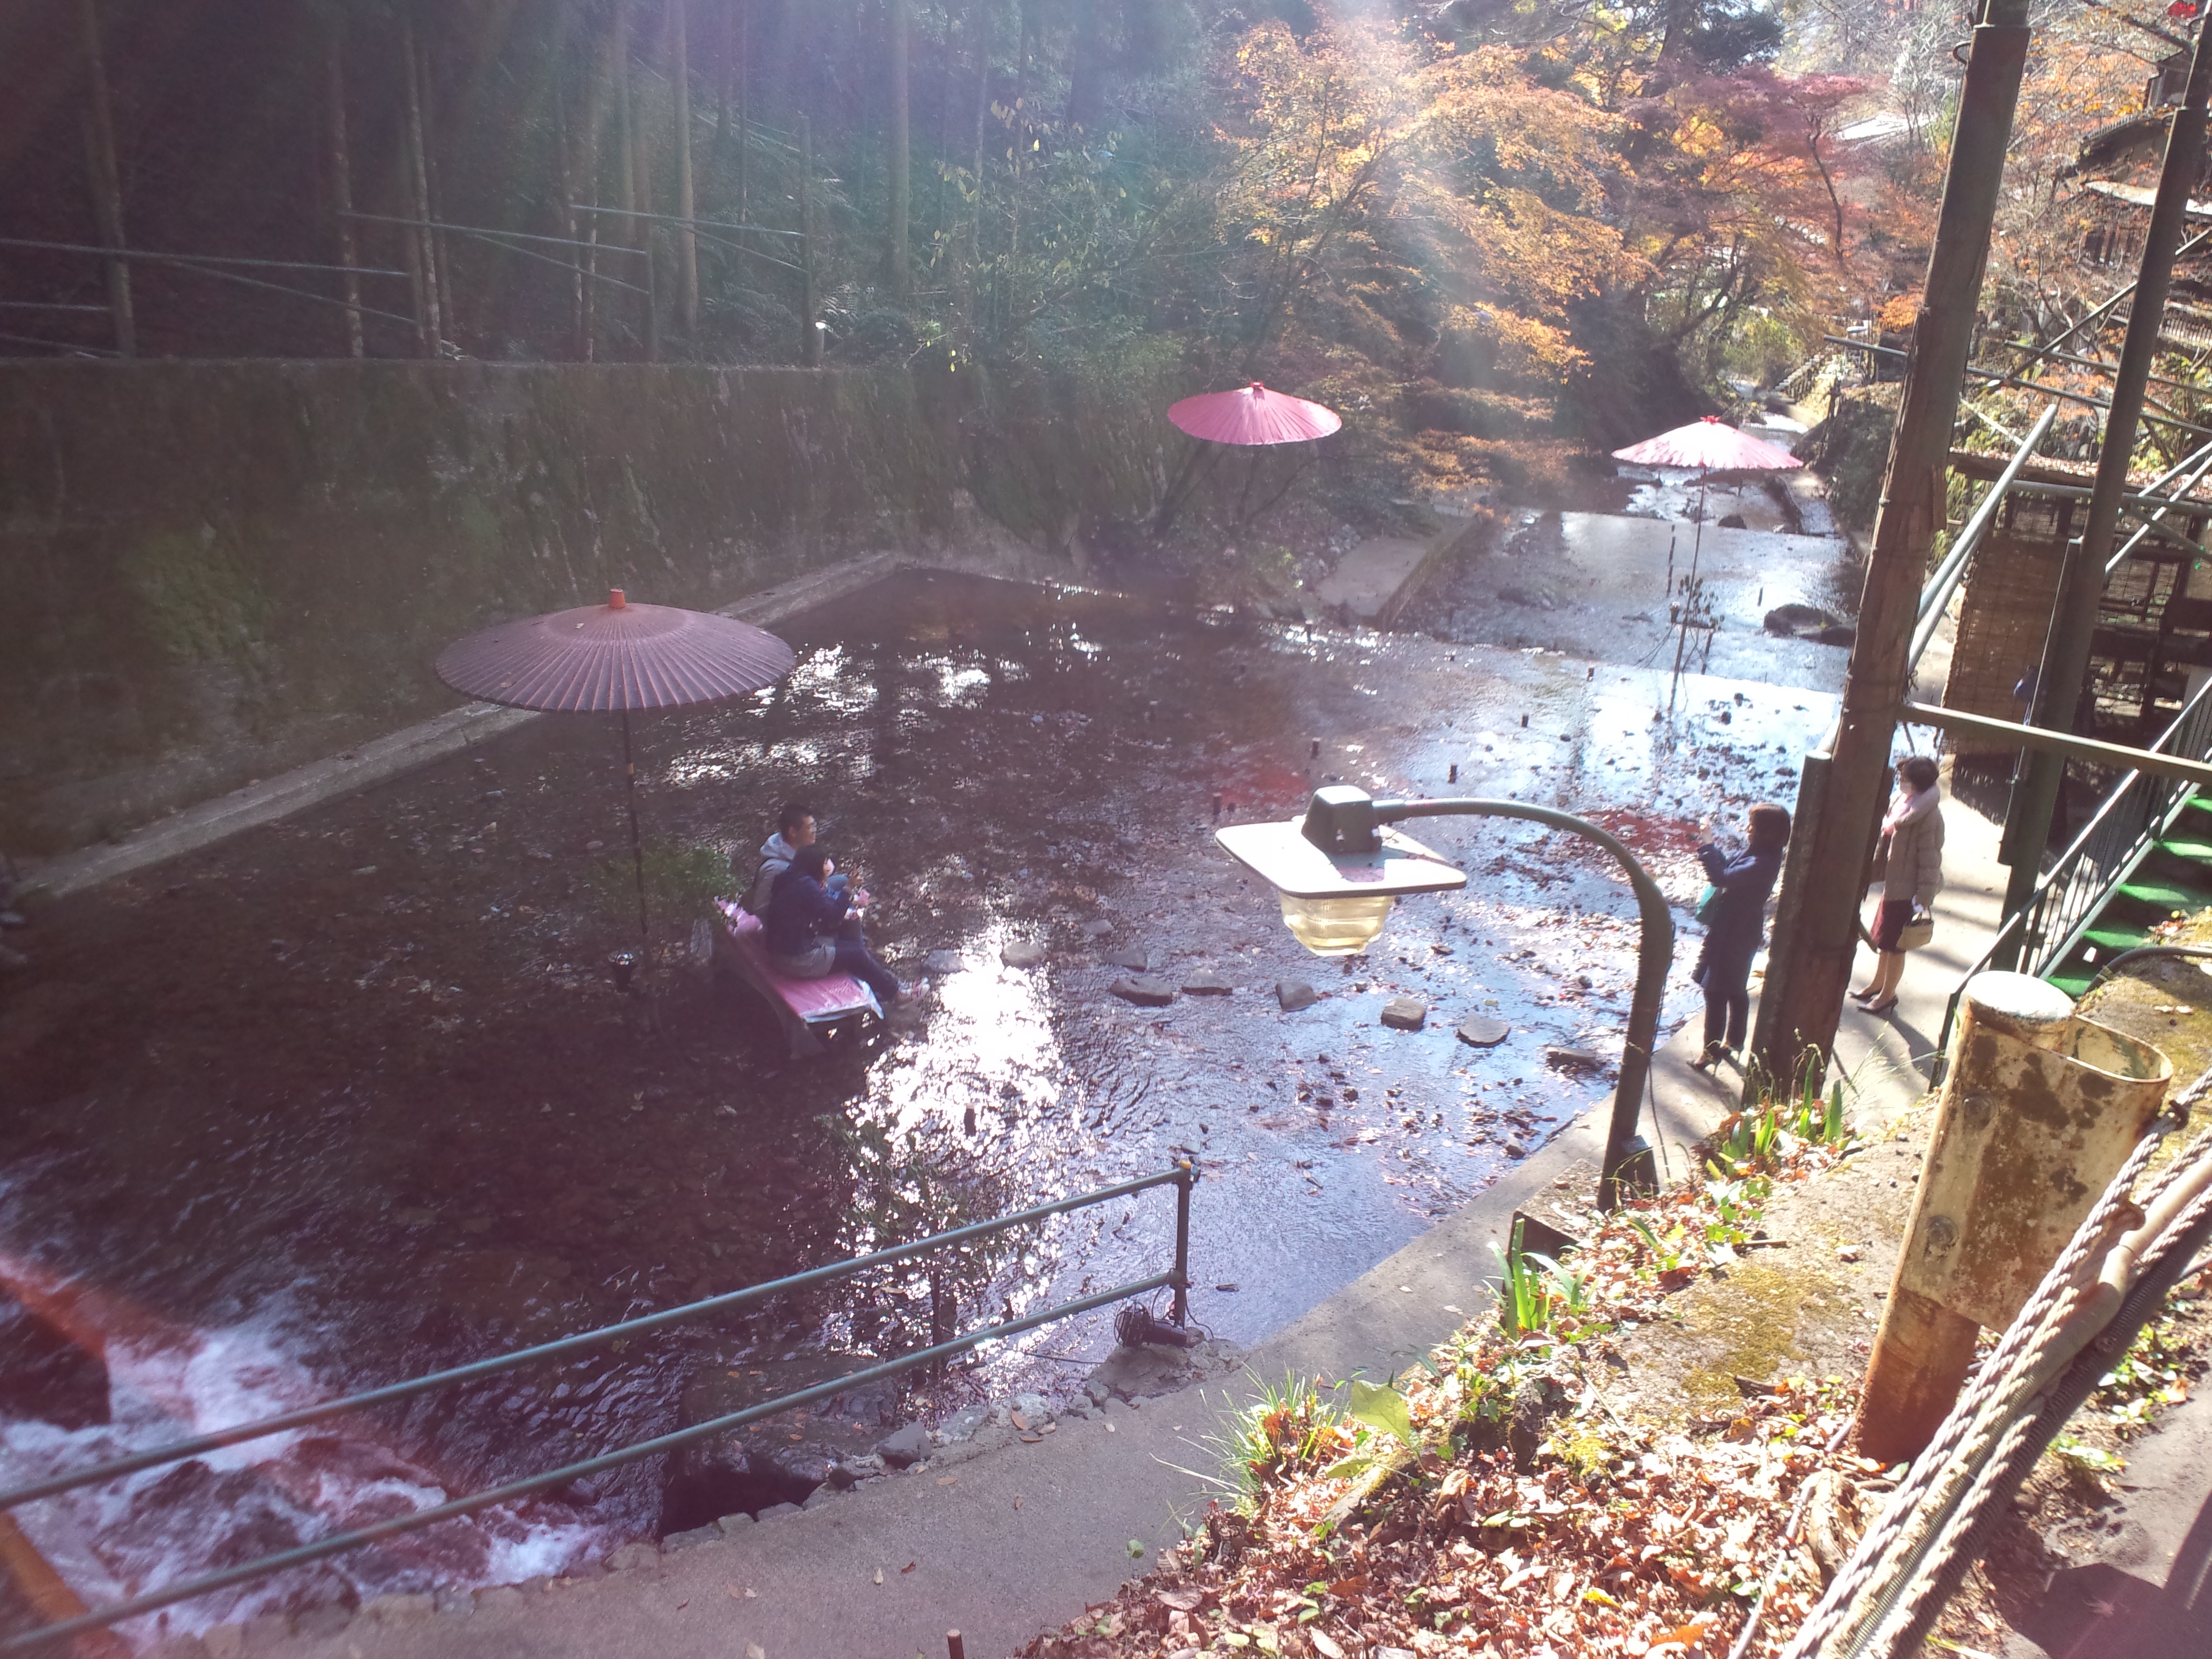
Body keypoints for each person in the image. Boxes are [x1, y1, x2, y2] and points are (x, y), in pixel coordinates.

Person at [1689, 803, 1792, 1071]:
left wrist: (1709, 845)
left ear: (1766, 832)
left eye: (1753, 826)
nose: (1748, 829)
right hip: (1738, 928)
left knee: (1716, 991)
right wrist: (1711, 850)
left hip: (1735, 932)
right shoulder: (1760, 854)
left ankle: (1711, 1051)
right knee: (1735, 987)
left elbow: (1721, 877)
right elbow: (1728, 870)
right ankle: (1734, 1041)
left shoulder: (1762, 862)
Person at [1852, 754, 1945, 1016]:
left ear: (1917, 783)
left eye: (1905, 779)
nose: (1901, 783)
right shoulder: (1905, 804)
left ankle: (1887, 995)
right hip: (1895, 884)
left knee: (1896, 946)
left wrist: (1923, 897)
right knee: (1884, 940)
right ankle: (1877, 984)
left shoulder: (1929, 817)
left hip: (1907, 891)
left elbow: (1930, 860)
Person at [761, 845, 901, 1006]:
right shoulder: (807, 888)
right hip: (795, 960)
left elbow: (819, 907)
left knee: (850, 949)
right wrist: (849, 888)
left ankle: (881, 983)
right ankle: (896, 994)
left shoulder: (787, 878)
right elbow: (833, 918)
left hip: (783, 950)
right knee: (857, 954)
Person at [743, 802, 845, 915]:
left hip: (807, 899)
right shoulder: (776, 869)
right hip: (790, 925)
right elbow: (760, 910)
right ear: (792, 832)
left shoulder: (800, 849)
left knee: (842, 881)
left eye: (814, 825)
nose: (814, 830)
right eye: (809, 827)